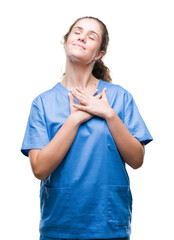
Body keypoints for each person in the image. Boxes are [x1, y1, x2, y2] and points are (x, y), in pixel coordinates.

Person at [21, 16, 153, 240]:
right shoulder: (42, 103)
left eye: (91, 36)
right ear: (66, 41)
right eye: (77, 32)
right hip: (60, 224)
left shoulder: (119, 97)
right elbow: (39, 169)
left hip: (109, 224)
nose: (82, 37)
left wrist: (108, 114)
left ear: (99, 54)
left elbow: (137, 159)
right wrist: (74, 120)